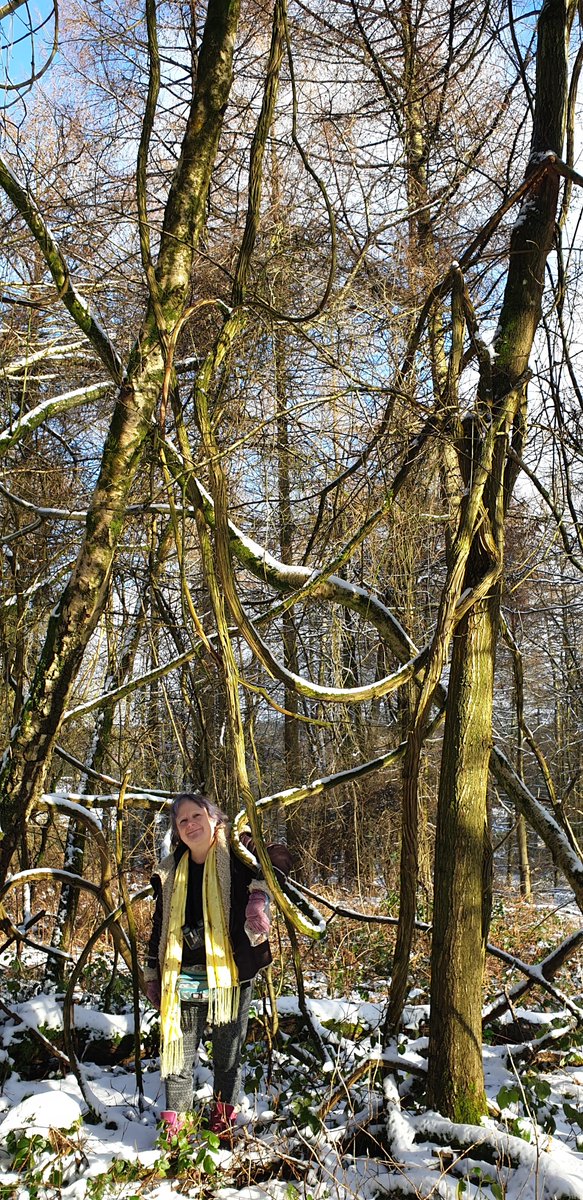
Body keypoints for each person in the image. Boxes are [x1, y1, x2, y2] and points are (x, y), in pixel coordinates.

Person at [143, 791, 291, 1137]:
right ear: (177, 831)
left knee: (227, 1057)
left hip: (231, 975)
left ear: (214, 819)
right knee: (177, 1058)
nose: (191, 824)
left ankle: (222, 1128)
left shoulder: (237, 850)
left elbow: (280, 855)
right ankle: (175, 1134)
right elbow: (160, 926)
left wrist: (259, 896)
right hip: (183, 976)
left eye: (197, 816)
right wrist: (152, 975)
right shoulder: (169, 871)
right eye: (182, 821)